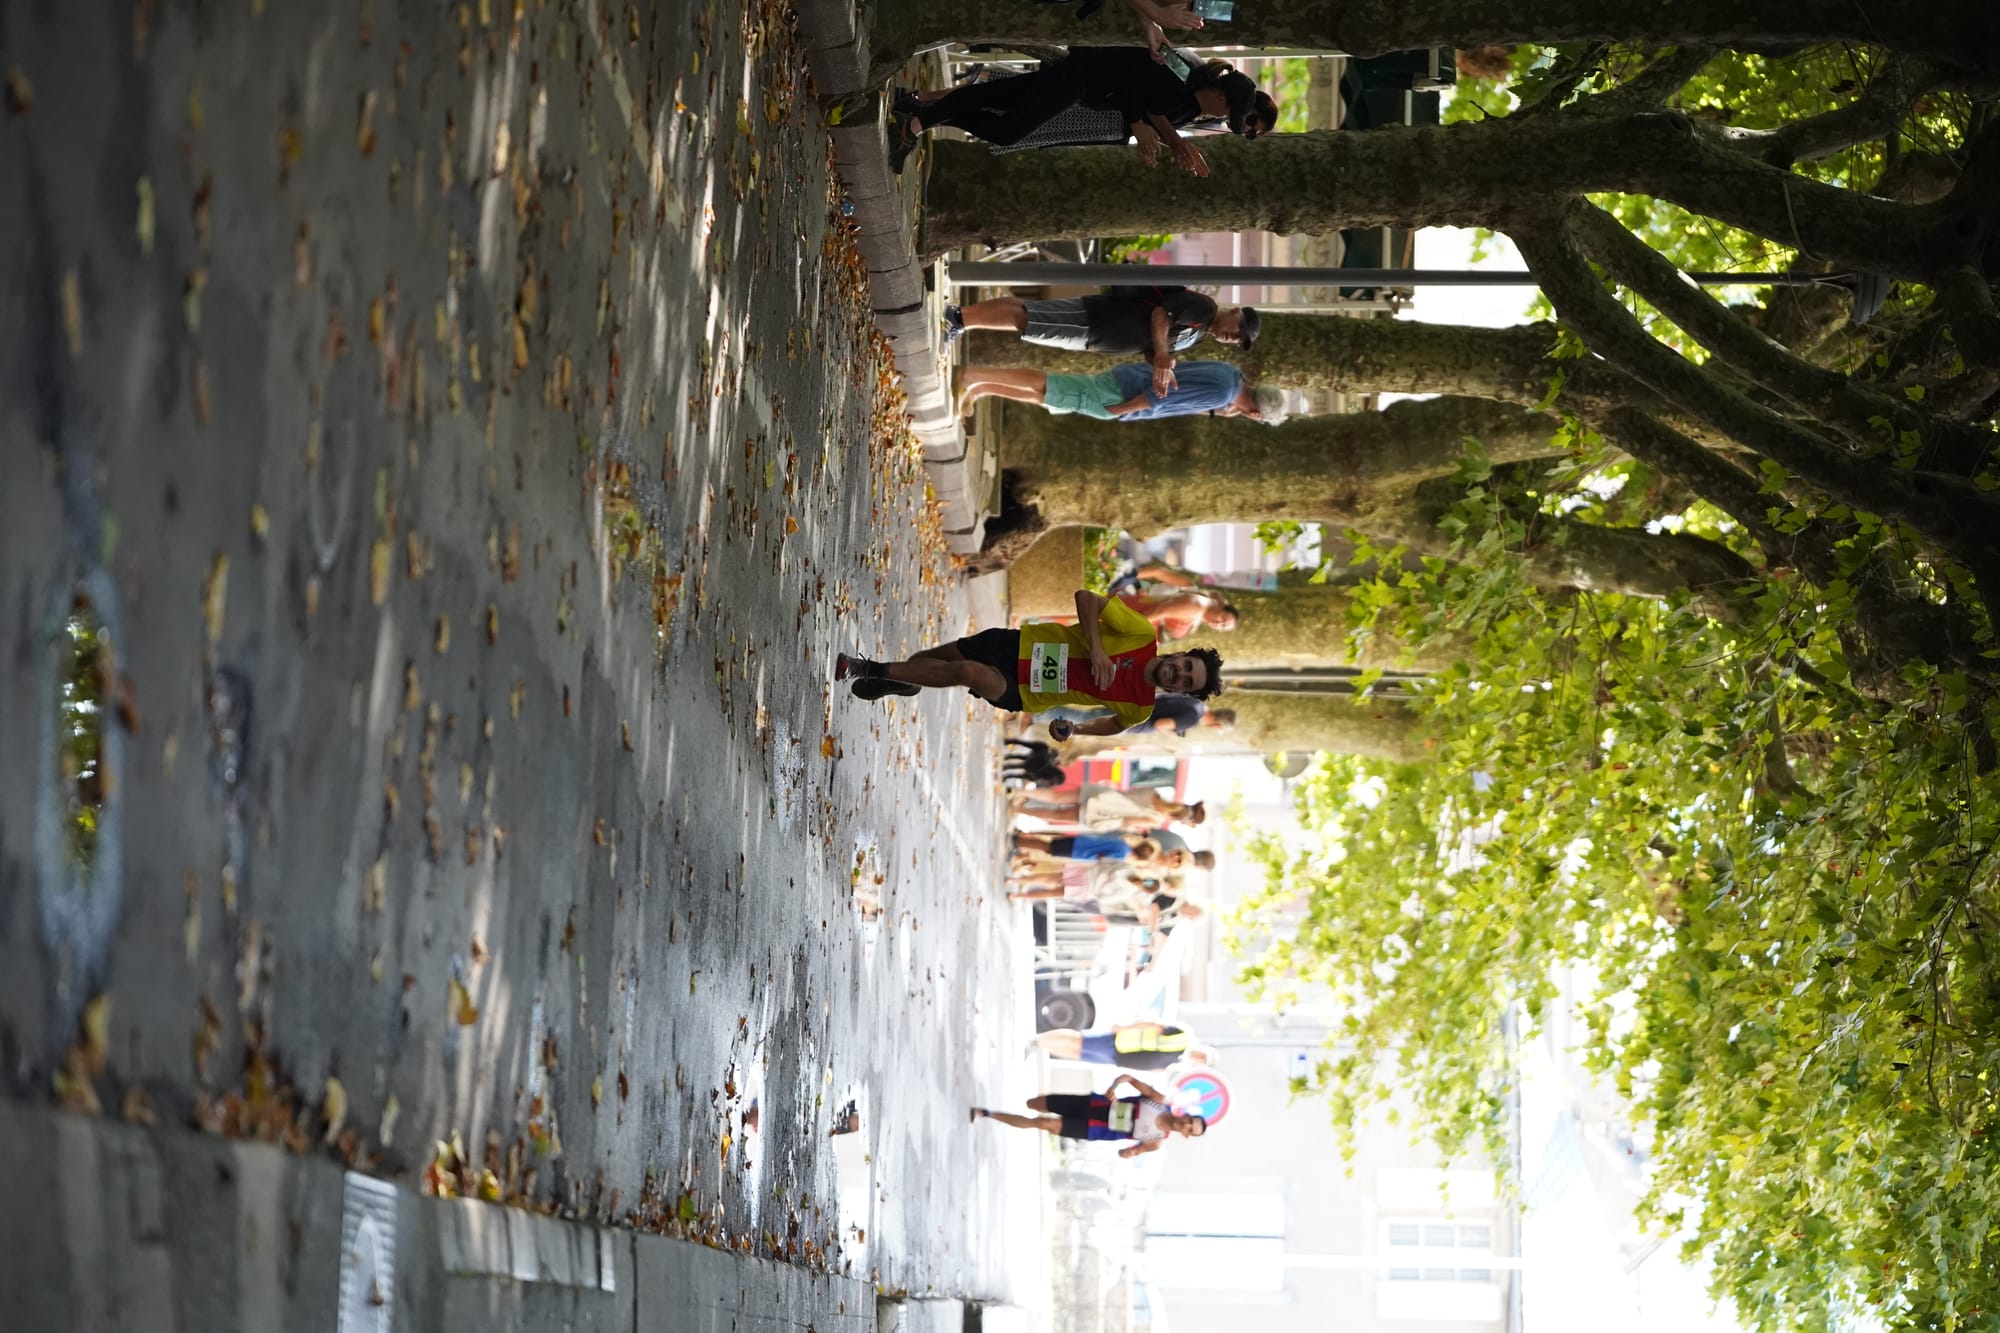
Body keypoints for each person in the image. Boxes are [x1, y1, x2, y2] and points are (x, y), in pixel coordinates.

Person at [835, 589, 1223, 739]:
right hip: (1018, 645)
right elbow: (1085, 598)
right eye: (1187, 665)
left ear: (1177, 691)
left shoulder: (1139, 707)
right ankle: (905, 681)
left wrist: (1076, 728)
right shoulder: (1140, 634)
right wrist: (1098, 648)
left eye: (1187, 682)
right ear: (1179, 655)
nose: (1181, 674)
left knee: (965, 672)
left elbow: (1112, 725)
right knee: (929, 661)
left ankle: (867, 668)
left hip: (1024, 691)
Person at [891, 49, 1277, 174]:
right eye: (1229, 112)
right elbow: (1134, 87)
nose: (1220, 118)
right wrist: (1142, 127)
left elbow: (1157, 112)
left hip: (1085, 92)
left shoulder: (1192, 100)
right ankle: (915, 123)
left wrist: (1173, 143)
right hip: (1084, 78)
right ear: (1220, 95)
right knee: (1006, 129)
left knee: (1001, 97)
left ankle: (918, 114)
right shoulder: (1186, 74)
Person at [943, 285, 1258, 371]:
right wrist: (1163, 353)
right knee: (1028, 320)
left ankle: (963, 318)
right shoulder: (1204, 309)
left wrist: (1160, 364)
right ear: (1234, 312)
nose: (1231, 337)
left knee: (1029, 319)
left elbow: (1153, 348)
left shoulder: (1199, 335)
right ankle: (960, 318)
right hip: (1103, 319)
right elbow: (1162, 314)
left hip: (1100, 336)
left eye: (1236, 340)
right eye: (1236, 330)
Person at [955, 358, 1289, 425]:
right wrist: (1125, 409)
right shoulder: (1221, 393)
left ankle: (982, 387)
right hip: (1125, 395)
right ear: (1256, 413)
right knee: (1051, 385)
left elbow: (1181, 382)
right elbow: (1166, 397)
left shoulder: (1230, 375)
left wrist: (1217, 409)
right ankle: (973, 376)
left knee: (1050, 396)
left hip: (1131, 380)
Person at [971, 1074, 1206, 1156]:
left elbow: (1132, 1152)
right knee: (1034, 1104)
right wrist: (1114, 1087)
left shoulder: (1155, 1142)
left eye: (1189, 1129)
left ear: (1186, 1135)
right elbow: (1130, 1079)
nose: (1186, 1124)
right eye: (1189, 1120)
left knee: (1043, 1123)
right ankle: (1001, 1110)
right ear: (1186, 1115)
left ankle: (988, 1114)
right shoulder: (1159, 1101)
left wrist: (1128, 1153)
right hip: (1094, 1104)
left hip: (1094, 1129)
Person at [1042, 589, 1238, 640]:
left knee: (1082, 618)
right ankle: (1036, 616)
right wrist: (1131, 625)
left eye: (1223, 626)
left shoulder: (1199, 610)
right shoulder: (1197, 606)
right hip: (1133, 614)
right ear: (1222, 607)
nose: (1219, 623)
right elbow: (1159, 611)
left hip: (1133, 615)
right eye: (1223, 619)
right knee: (1081, 616)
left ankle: (1035, 617)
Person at [1012, 782, 1204, 831]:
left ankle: (1021, 793)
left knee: (1057, 797)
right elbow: (1128, 821)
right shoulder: (1156, 819)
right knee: (1057, 814)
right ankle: (1020, 809)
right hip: (1102, 813)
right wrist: (1132, 828)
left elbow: (1129, 792)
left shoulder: (1154, 793)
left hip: (1104, 794)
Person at [1036, 1022, 1211, 1070]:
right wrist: (1125, 1028)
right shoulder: (1184, 1036)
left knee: (1077, 1053)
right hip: (1121, 1042)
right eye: (1203, 1056)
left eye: (1201, 1062)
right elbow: (1153, 1025)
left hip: (1121, 1060)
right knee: (1079, 1040)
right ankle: (1040, 1039)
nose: (1199, 1059)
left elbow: (1157, 1068)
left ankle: (1043, 1046)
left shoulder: (1180, 1063)